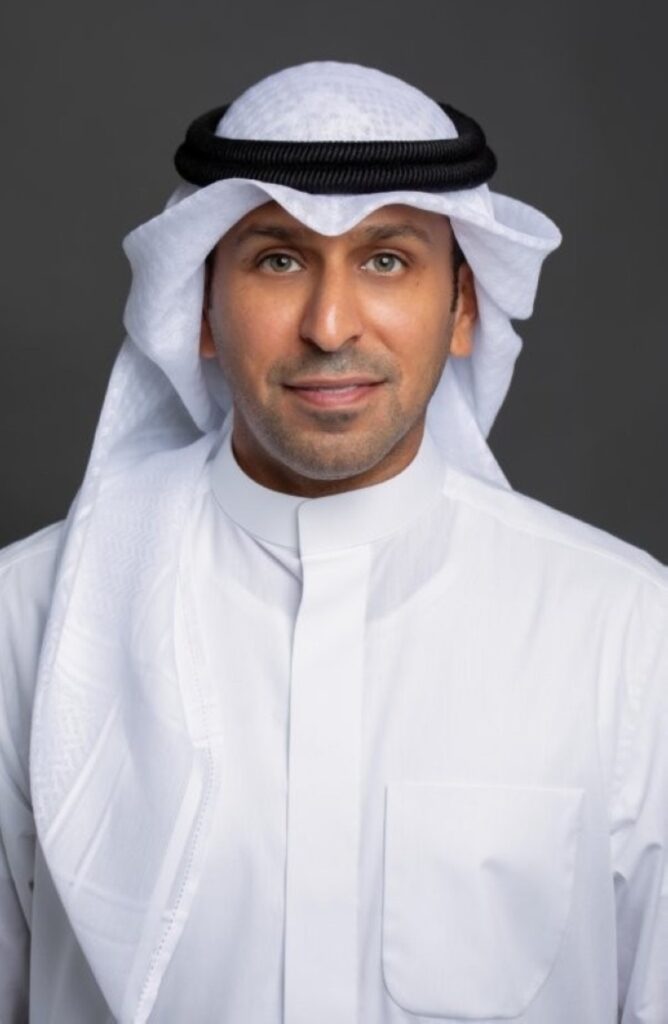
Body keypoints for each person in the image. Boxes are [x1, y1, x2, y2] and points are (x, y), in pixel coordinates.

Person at [0, 60, 666, 1024]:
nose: (329, 324)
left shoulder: (625, 633)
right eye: (279, 260)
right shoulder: (27, 625)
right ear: (198, 308)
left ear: (464, 307)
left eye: (386, 260)